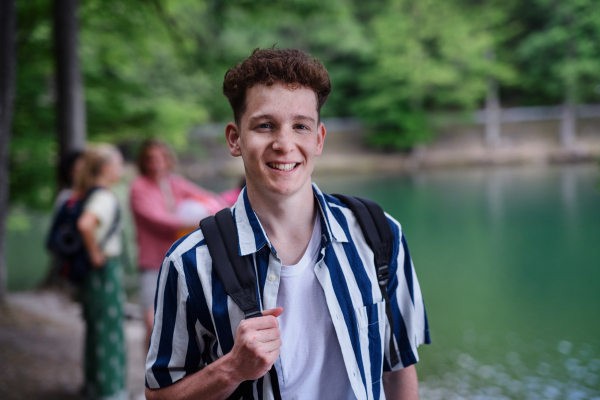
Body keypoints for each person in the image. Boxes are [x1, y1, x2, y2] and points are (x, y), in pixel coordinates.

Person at [145, 48, 430, 400]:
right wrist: (231, 368)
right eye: (265, 126)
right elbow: (159, 395)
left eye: (300, 126)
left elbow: (399, 370)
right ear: (235, 138)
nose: (284, 144)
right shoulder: (189, 264)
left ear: (319, 138)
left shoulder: (380, 234)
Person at [130, 139, 238, 347]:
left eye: (161, 158)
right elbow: (158, 220)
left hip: (179, 260)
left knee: (183, 321)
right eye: (151, 159)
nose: (157, 163)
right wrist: (197, 222)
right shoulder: (139, 188)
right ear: (143, 162)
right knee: (152, 322)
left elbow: (207, 197)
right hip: (153, 262)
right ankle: (150, 372)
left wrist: (221, 213)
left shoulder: (174, 182)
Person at [75, 144, 127, 400]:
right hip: (105, 270)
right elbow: (85, 224)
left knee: (97, 328)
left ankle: (94, 385)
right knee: (109, 330)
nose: (121, 169)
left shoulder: (90, 193)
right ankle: (110, 391)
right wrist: (95, 252)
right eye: (118, 164)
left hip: (96, 274)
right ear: (106, 168)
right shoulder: (104, 197)